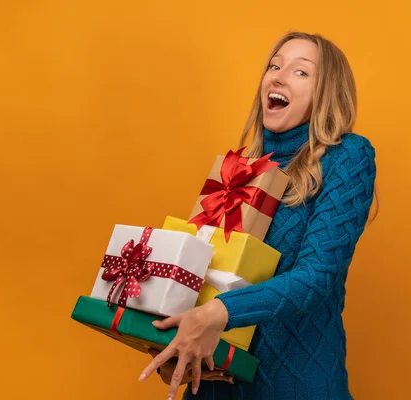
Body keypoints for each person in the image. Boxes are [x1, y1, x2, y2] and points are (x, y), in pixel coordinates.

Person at [138, 31, 378, 400]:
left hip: (295, 385)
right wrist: (175, 342)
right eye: (274, 65)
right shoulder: (238, 169)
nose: (278, 76)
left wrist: (217, 313)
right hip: (215, 389)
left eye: (301, 72)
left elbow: (316, 278)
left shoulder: (347, 157)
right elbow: (207, 278)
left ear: (327, 93)